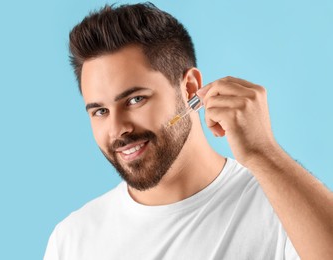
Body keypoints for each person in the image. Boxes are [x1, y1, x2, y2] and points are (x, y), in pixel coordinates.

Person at [44, 3, 333, 259]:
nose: (118, 129)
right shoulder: (72, 240)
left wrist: (264, 153)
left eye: (135, 100)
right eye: (100, 111)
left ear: (190, 89)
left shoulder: (280, 209)